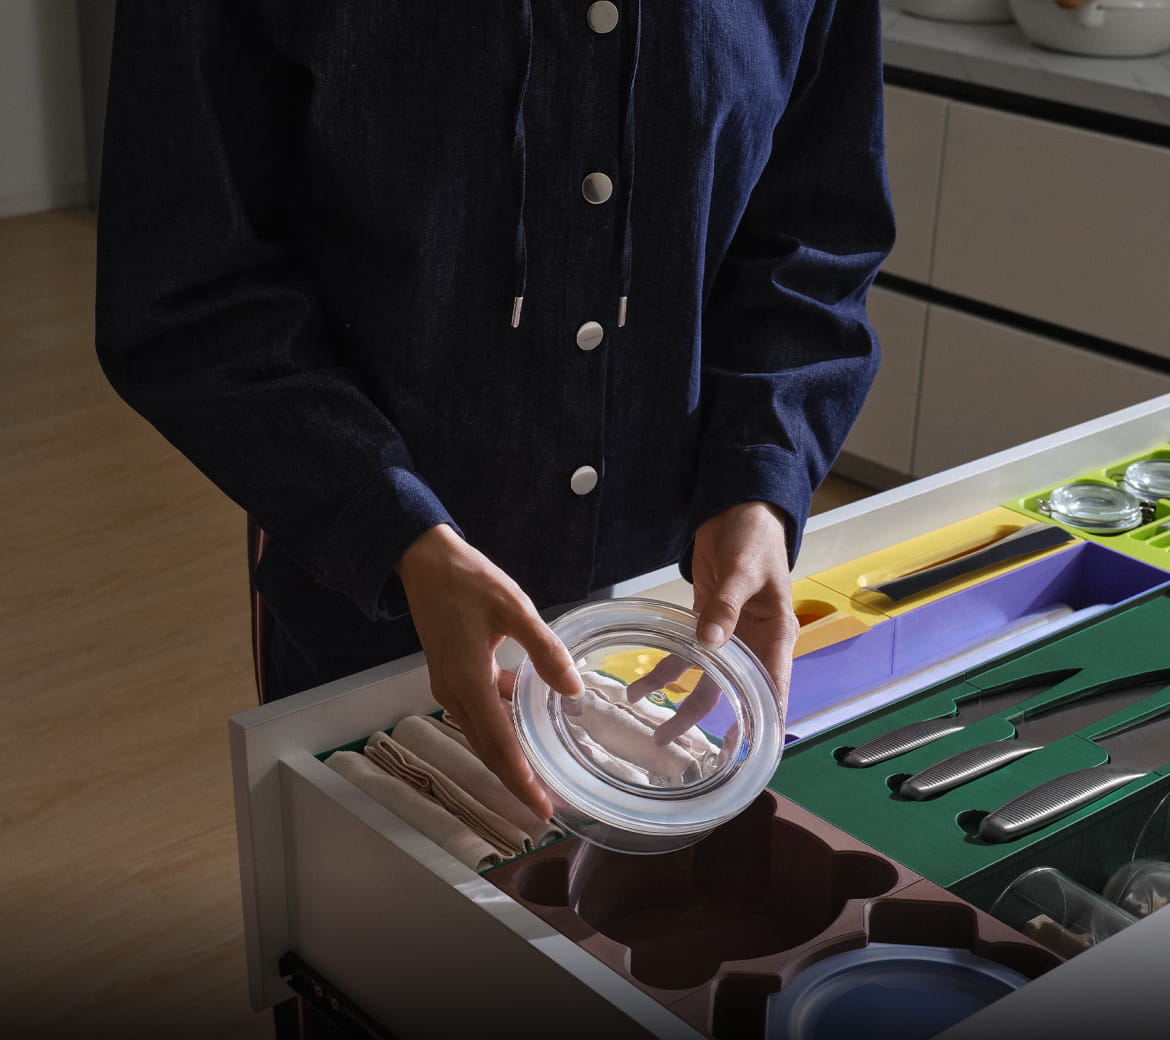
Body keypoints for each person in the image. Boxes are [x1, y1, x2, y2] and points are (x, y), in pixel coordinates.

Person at [95, 1, 891, 820]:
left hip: (664, 604)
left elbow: (813, 237)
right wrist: (393, 527)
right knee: (374, 926)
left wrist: (759, 478)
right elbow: (185, 288)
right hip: (365, 596)